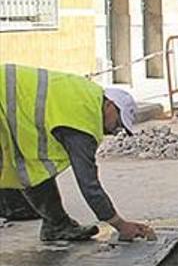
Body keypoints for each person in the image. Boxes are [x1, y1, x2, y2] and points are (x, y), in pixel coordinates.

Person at [0, 64, 156, 242]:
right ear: (110, 106)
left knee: (37, 169)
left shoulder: (87, 95)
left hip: (7, 104)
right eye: (118, 124)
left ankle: (57, 225)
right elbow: (89, 186)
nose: (114, 132)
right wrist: (120, 225)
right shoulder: (83, 121)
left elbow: (35, 173)